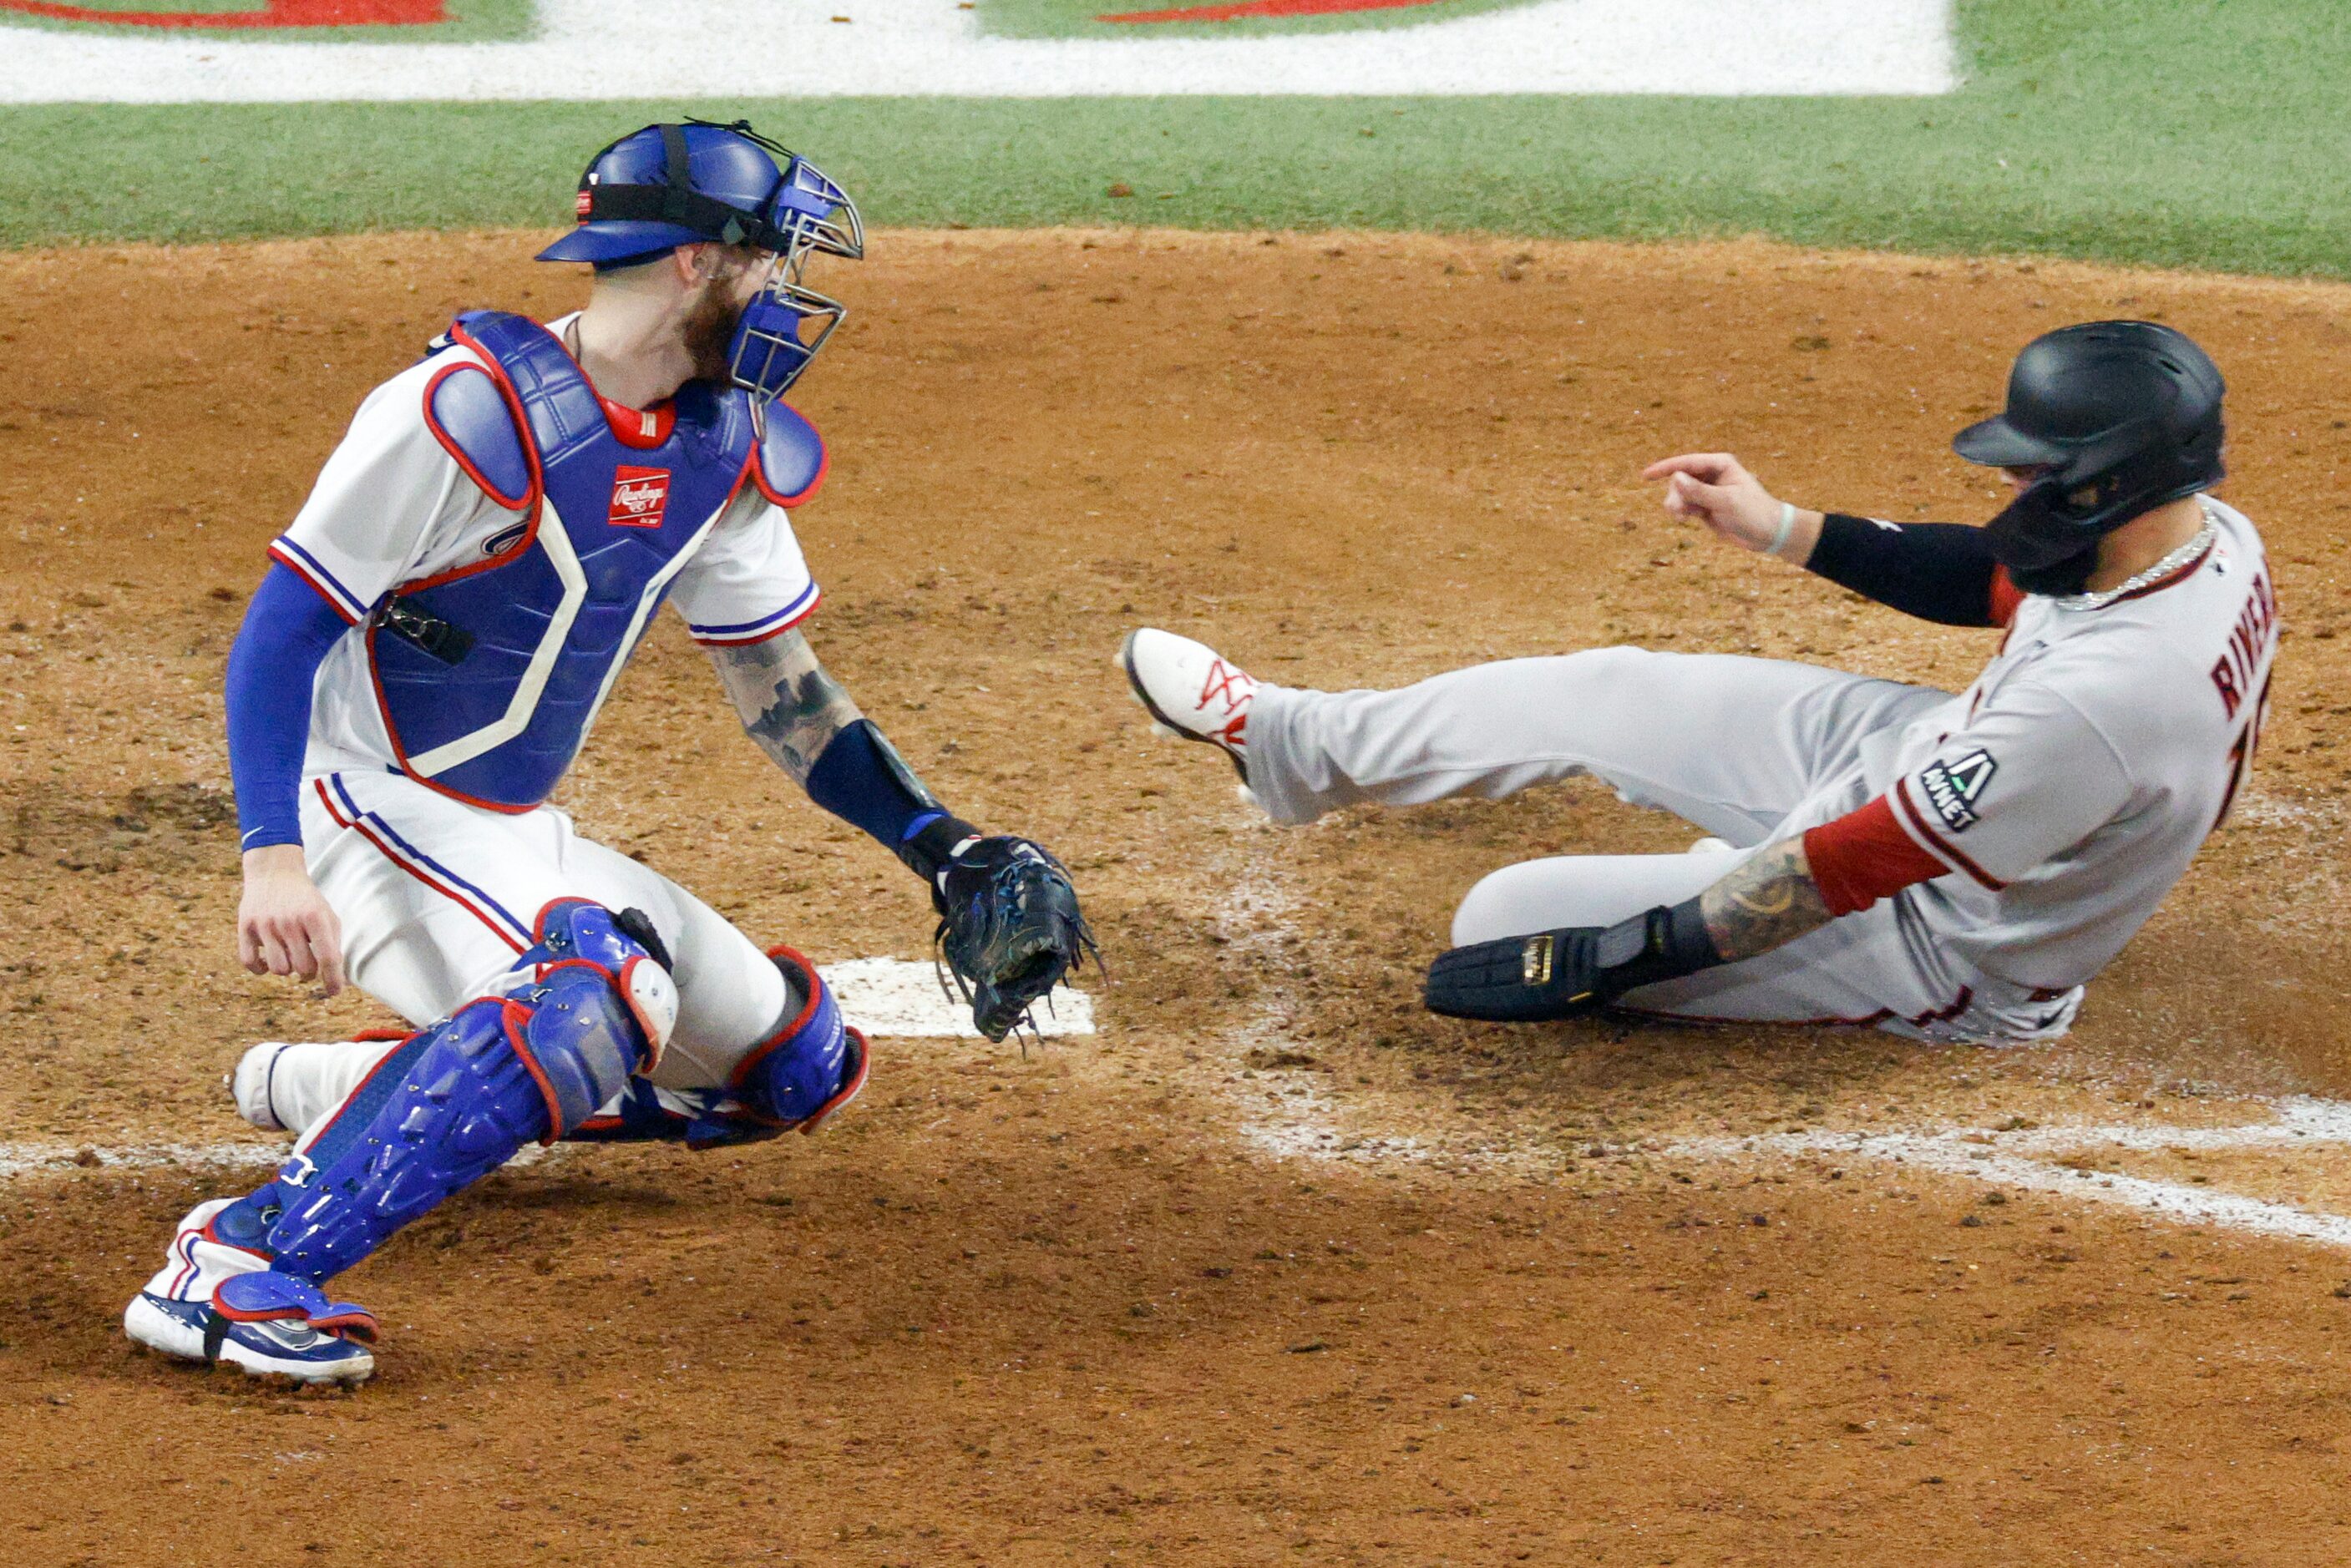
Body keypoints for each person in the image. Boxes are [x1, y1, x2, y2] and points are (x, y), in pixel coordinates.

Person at [126, 120, 1092, 1384]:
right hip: (360, 801)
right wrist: (271, 857)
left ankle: (399, 1086)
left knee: (794, 1067)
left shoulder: (719, 446)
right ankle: (232, 1260)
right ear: (698, 262)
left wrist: (941, 844)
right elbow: (281, 630)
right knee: (593, 995)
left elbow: (783, 692)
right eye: (773, 264)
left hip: (506, 829)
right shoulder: (460, 412)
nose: (789, 298)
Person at [1122, 321, 2272, 1038]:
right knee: (1611, 689)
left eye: (2042, 471)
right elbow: (1996, 578)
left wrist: (1621, 952)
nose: (2020, 490)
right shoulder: (2201, 531)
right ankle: (1289, 740)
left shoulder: (2110, 694)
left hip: (1945, 934)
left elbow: (1854, 861)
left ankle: (1690, 891)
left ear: (2111, 483)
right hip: (1945, 758)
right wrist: (1783, 528)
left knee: (1508, 915)